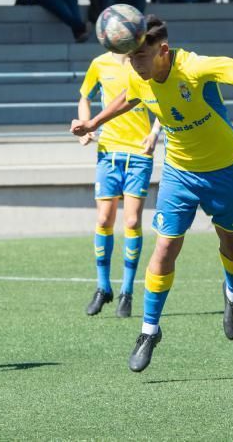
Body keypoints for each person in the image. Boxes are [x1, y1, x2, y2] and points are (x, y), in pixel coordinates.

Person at [71, 15, 233, 372]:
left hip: (224, 168)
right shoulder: (137, 73)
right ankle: (149, 329)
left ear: (163, 50)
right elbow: (129, 95)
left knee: (231, 238)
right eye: (130, 59)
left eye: (140, 58)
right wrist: (94, 123)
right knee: (165, 245)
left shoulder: (196, 67)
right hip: (179, 172)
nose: (135, 66)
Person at [77, 52, 161, 317]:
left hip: (138, 154)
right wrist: (88, 127)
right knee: (103, 219)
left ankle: (127, 291)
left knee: (133, 221)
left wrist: (154, 133)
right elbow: (84, 97)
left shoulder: (142, 62)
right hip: (108, 152)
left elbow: (163, 100)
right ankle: (103, 287)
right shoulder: (99, 63)